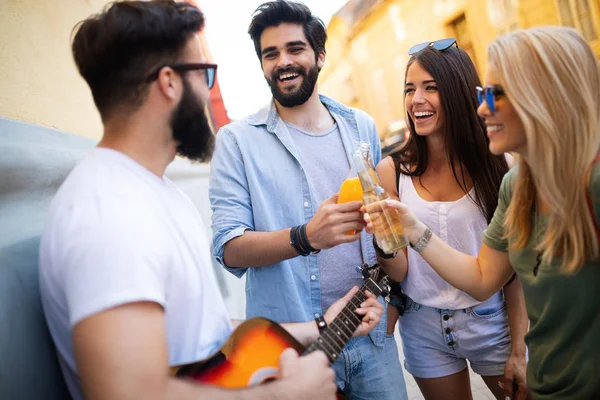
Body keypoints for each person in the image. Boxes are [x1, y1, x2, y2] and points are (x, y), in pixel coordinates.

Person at [38, 2, 384, 400]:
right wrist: (283, 394)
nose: (207, 90)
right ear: (170, 82)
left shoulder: (158, 194)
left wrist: (321, 327)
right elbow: (127, 392)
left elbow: (206, 338)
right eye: (204, 73)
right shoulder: (108, 214)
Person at [365, 26, 600, 399]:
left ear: (546, 93)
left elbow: (507, 283)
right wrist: (403, 231)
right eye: (409, 89)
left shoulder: (572, 178)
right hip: (535, 379)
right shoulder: (517, 185)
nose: (482, 107)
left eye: (496, 94)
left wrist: (518, 350)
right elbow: (482, 275)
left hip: (500, 332)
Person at [209, 1, 407, 399]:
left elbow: (386, 226)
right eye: (271, 54)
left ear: (319, 55)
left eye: (295, 49)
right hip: (294, 349)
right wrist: (306, 237)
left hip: (370, 337)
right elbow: (228, 248)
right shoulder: (236, 142)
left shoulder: (360, 126)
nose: (283, 61)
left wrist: (393, 301)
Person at [370, 40, 530, 400]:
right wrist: (382, 236)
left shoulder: (499, 165)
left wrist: (519, 350)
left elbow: (514, 270)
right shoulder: (392, 171)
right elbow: (398, 271)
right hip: (423, 326)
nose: (416, 100)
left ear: (457, 92)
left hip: (492, 321)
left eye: (431, 87)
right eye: (410, 89)